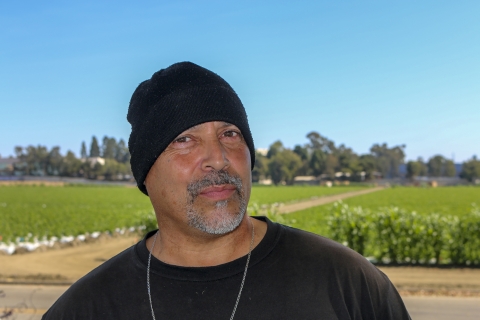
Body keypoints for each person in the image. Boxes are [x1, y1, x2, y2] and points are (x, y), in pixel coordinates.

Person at [42, 62, 411, 319]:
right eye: (184, 139)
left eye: (230, 134)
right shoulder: (86, 308)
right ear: (145, 174)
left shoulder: (346, 282)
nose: (217, 158)